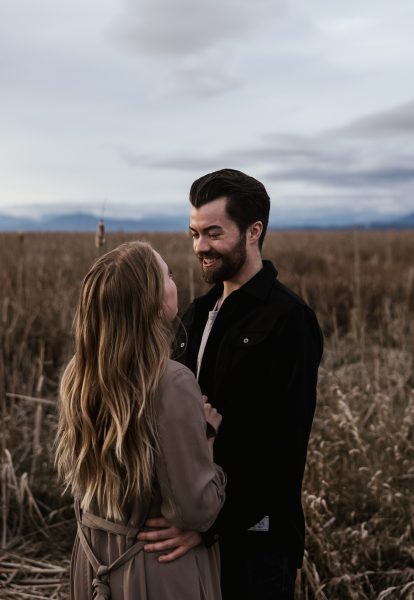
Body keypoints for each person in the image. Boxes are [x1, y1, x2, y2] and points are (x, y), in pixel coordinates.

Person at [137, 168, 324, 599]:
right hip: (196, 521)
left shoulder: (288, 319)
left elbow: (284, 450)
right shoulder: (196, 313)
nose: (200, 247)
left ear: (253, 231)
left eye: (213, 233)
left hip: (256, 540)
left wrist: (210, 528)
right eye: (194, 233)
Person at [54, 240, 226, 600]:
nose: (175, 281)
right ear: (150, 301)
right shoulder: (171, 382)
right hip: (152, 569)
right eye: (168, 275)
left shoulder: (78, 375)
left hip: (91, 560)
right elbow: (194, 510)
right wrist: (207, 434)